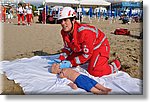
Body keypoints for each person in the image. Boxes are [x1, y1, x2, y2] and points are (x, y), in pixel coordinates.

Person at [54, 7, 121, 77]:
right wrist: (61, 58)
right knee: (68, 59)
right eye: (61, 21)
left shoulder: (84, 33)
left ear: (73, 20)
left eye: (65, 20)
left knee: (95, 72)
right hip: (86, 48)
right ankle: (93, 61)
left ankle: (115, 65)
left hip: (100, 46)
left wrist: (71, 63)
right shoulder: (64, 32)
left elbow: (87, 54)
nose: (62, 23)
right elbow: (68, 48)